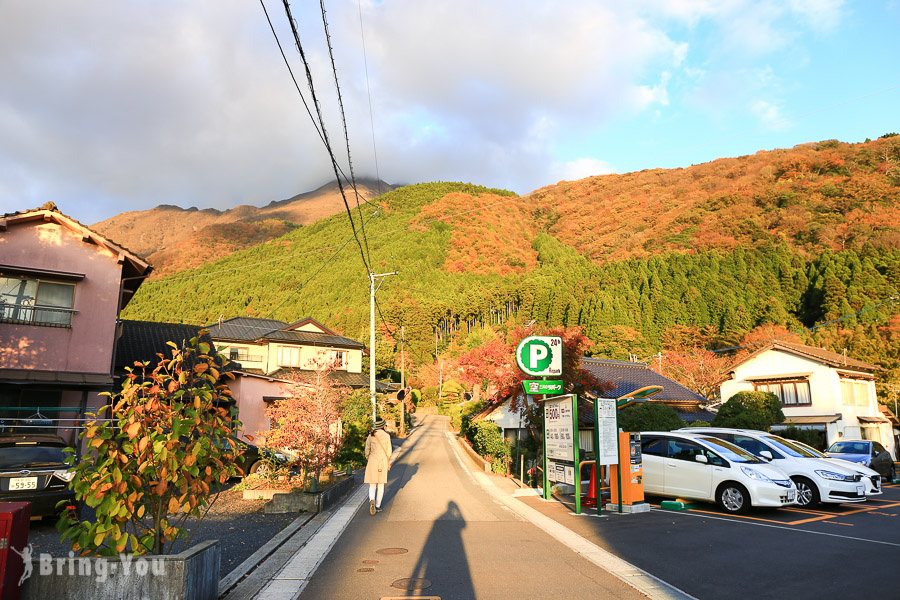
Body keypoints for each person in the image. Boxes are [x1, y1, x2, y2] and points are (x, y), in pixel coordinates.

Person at [364, 417, 391, 515]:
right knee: (381, 485)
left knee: (372, 484)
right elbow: (389, 452)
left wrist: (368, 457)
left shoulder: (371, 436)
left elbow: (367, 449)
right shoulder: (387, 436)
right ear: (383, 426)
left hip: (372, 461)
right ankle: (378, 506)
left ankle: (372, 499)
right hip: (382, 461)